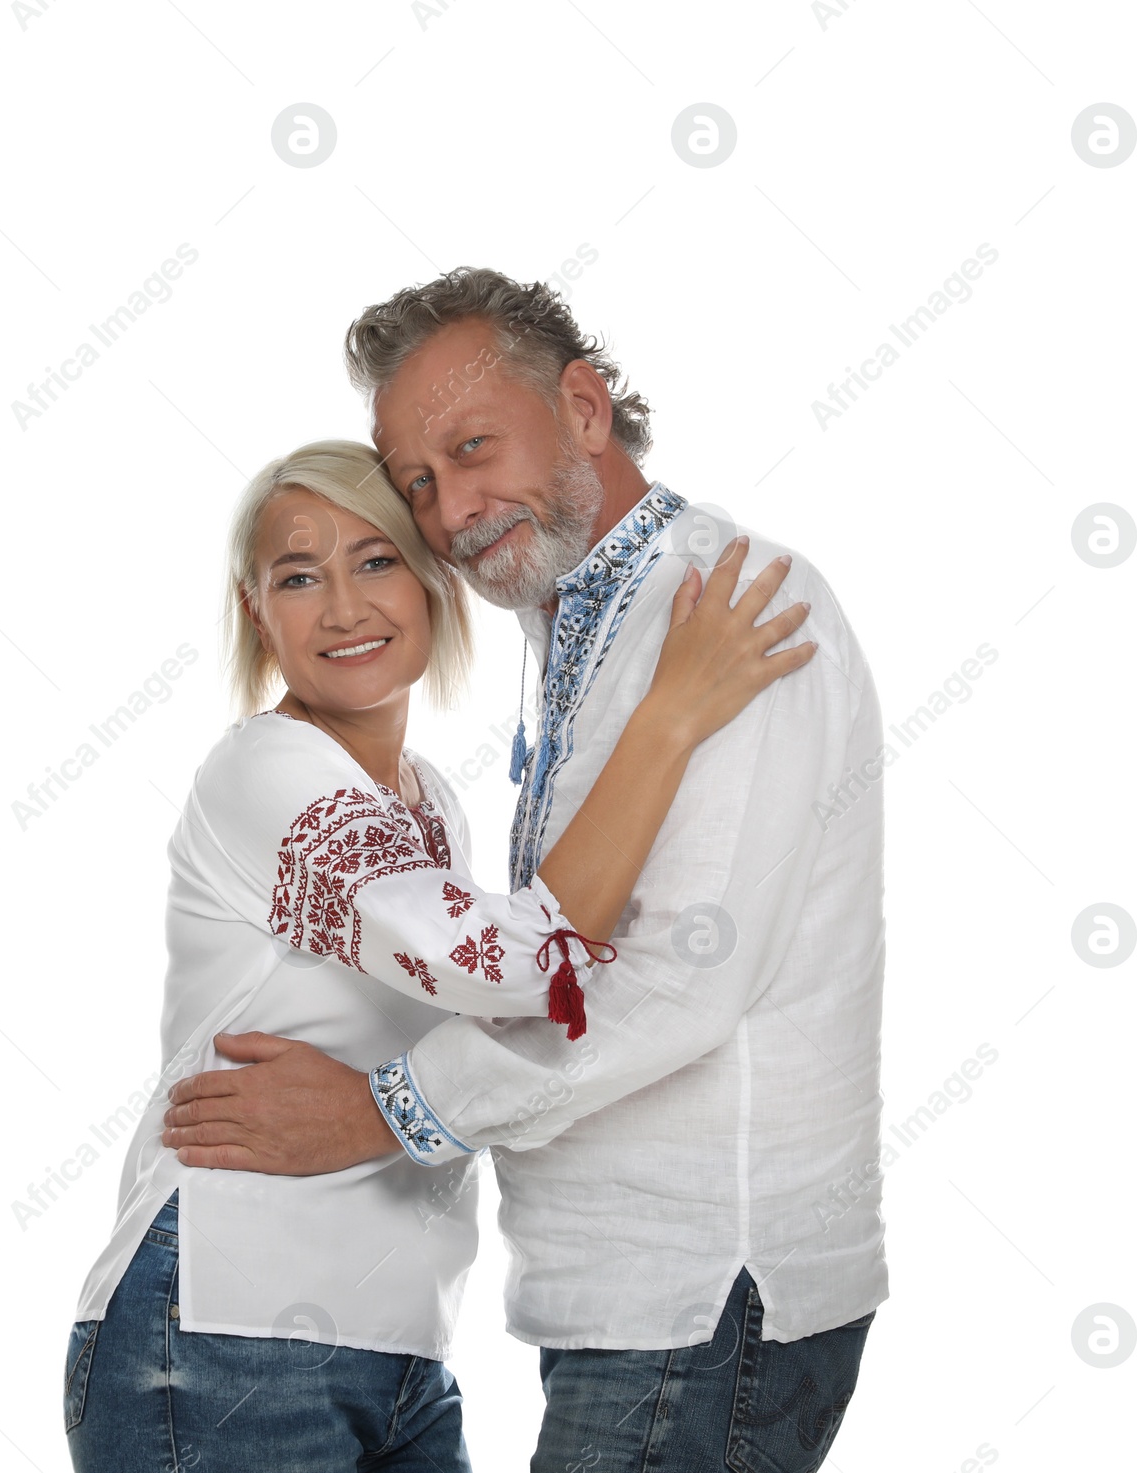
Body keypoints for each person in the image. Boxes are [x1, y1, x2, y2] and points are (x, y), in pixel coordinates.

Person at [161, 269, 889, 1472]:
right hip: (614, 1300)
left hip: (705, 1289)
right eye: (419, 483)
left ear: (586, 409)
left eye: (474, 446)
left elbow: (674, 982)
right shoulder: (571, 631)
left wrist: (384, 1110)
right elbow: (539, 956)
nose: (451, 508)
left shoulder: (734, 606)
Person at [64, 436, 816, 1472]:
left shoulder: (431, 803)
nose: (341, 607)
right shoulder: (266, 770)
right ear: (257, 614)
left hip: (404, 1353)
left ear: (429, 580)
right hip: (226, 1337)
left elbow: (532, 1010)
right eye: (298, 576)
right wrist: (670, 717)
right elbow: (509, 969)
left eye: (374, 560)